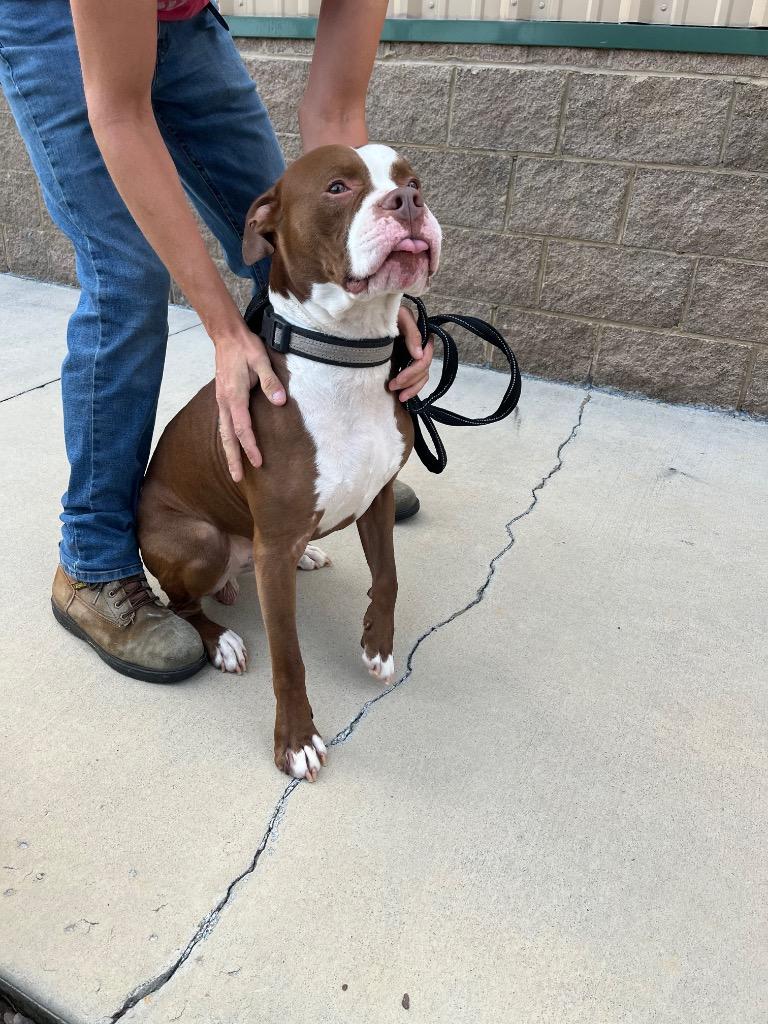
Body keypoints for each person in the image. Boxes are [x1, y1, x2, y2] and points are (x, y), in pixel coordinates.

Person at [0, 0, 433, 682]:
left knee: (291, 229)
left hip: (184, 17)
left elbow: (337, 123)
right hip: (57, 19)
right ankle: (91, 563)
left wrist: (377, 275)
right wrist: (226, 331)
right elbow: (119, 112)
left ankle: (322, 473)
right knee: (127, 275)